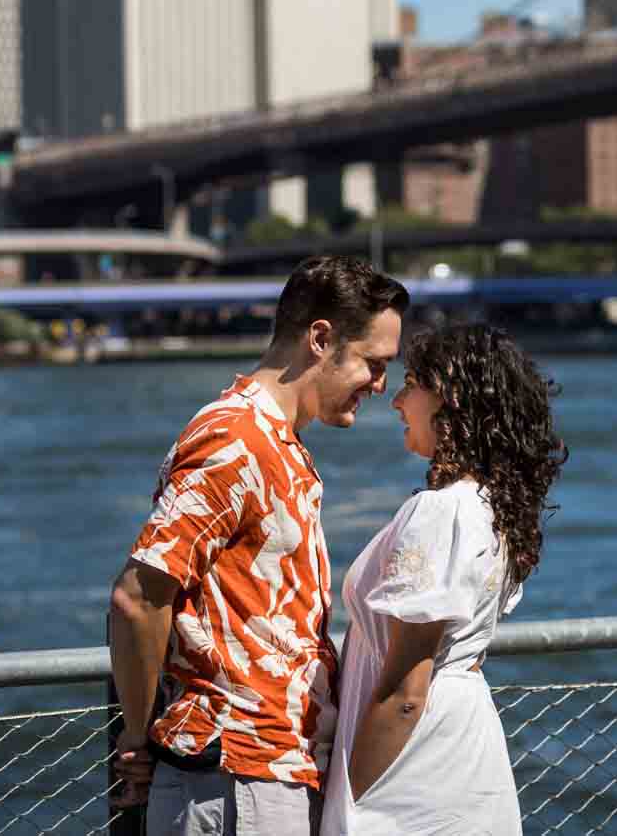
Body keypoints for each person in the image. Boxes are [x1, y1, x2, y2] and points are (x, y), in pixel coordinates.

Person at [109, 254, 410, 836]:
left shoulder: (276, 443)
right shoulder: (235, 440)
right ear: (320, 339)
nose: (380, 386)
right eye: (373, 364)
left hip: (265, 773)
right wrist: (138, 735)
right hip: (236, 776)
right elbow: (139, 597)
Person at [321, 323, 568, 836]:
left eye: (412, 384)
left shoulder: (440, 511)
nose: (396, 402)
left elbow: (407, 691)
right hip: (458, 736)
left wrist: (353, 793)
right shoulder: (491, 508)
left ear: (450, 400)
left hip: (413, 755)